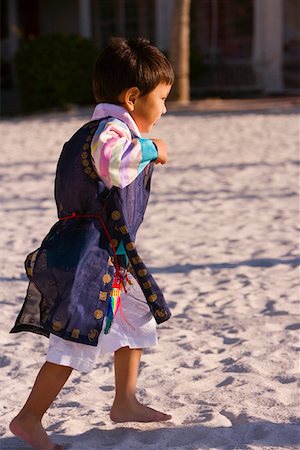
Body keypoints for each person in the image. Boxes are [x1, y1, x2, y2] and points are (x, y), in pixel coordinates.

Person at [9, 37, 174, 450]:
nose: (165, 109)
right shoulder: (111, 131)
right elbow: (115, 166)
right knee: (73, 339)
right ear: (133, 97)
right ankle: (28, 418)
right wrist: (153, 148)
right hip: (89, 256)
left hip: (110, 254)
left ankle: (124, 400)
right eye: (162, 98)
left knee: (137, 320)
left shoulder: (101, 129)